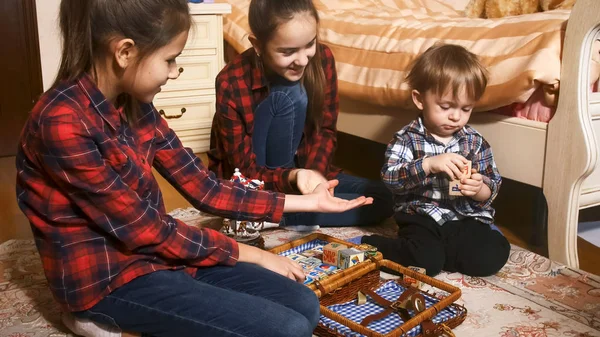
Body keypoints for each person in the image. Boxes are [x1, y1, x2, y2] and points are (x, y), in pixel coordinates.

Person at [15, 1, 373, 337]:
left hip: (157, 256)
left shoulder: (135, 106)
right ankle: (94, 316)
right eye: (170, 59)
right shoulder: (62, 122)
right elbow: (147, 230)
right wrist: (251, 253)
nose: (173, 72)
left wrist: (309, 203)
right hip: (109, 278)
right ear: (125, 52)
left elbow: (206, 188)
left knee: (305, 304)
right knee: (288, 329)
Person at [208, 0, 394, 230]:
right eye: (288, 52)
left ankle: (279, 215)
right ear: (257, 45)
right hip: (258, 183)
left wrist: (315, 180)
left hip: (304, 174)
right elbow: (244, 168)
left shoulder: (323, 58)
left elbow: (325, 131)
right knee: (289, 93)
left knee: (385, 198)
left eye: (309, 44)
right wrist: (294, 176)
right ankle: (266, 209)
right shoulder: (231, 81)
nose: (303, 60)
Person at [361, 44, 511, 277]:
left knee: (493, 256)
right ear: (420, 100)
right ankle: (375, 244)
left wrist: (479, 188)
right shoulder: (407, 139)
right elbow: (390, 179)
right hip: (422, 216)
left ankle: (442, 251)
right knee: (426, 264)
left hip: (464, 216)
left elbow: (493, 184)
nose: (455, 116)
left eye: (466, 108)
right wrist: (428, 164)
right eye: (445, 106)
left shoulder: (474, 141)